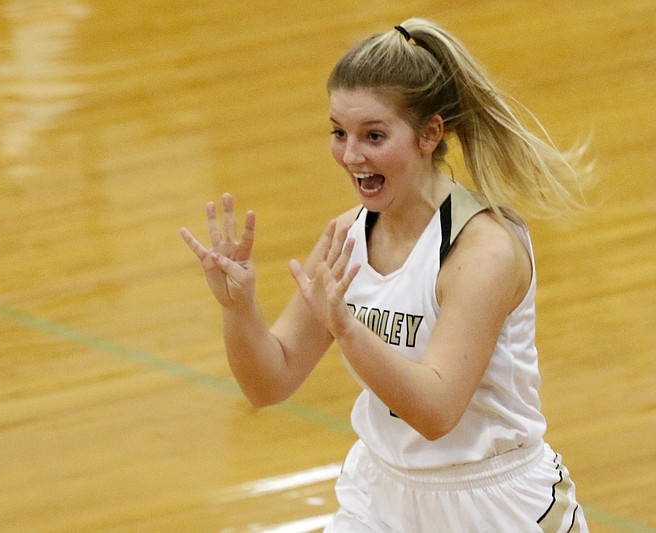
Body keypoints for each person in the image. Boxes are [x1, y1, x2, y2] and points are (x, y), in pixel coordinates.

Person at [180, 17, 591, 532]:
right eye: (339, 133)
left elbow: (437, 412)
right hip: (382, 497)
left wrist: (347, 330)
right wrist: (239, 309)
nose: (351, 156)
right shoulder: (347, 236)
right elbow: (270, 381)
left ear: (430, 134)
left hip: (493, 505)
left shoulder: (482, 249)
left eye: (373, 135)